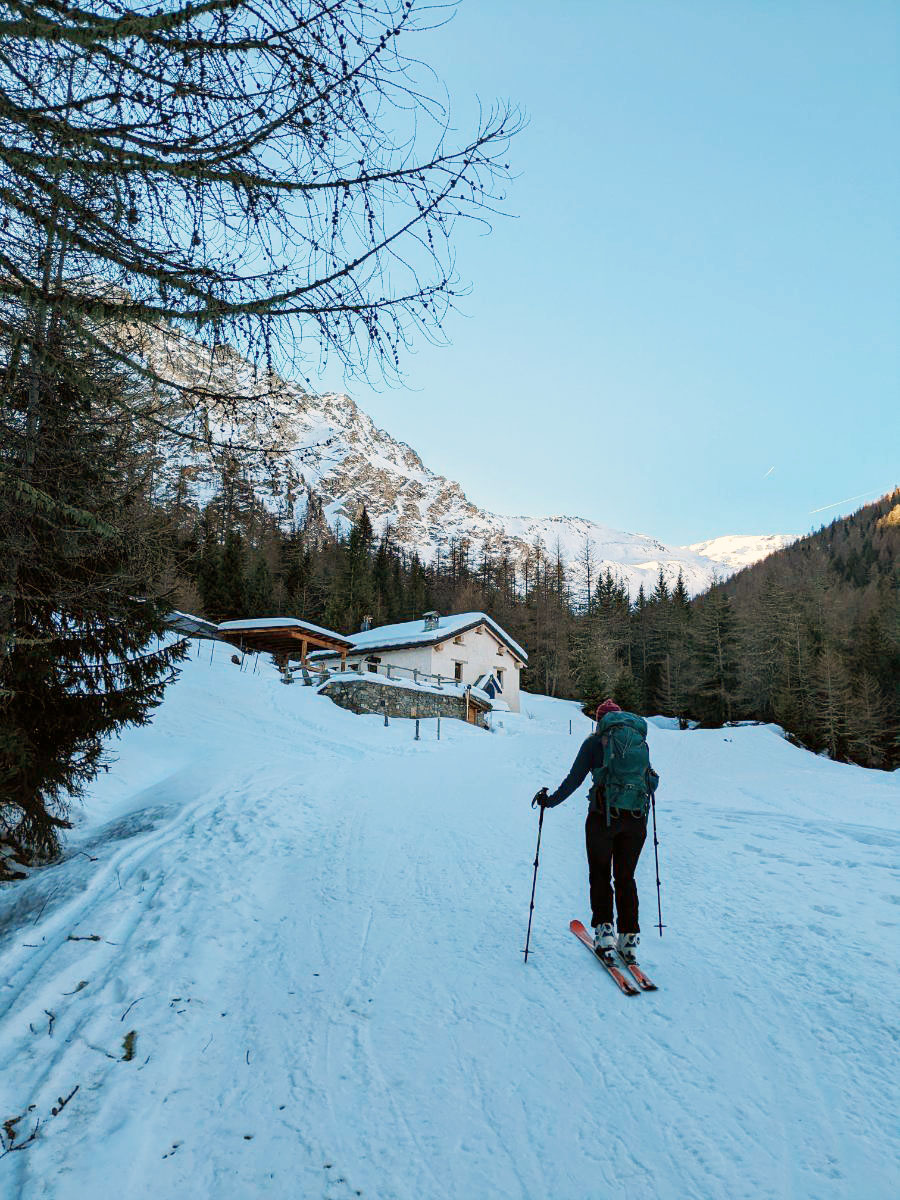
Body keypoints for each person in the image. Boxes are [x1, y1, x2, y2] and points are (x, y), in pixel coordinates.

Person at [536, 698, 658, 962]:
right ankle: (629, 940)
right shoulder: (638, 743)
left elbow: (574, 780)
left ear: (600, 721)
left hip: (603, 818)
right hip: (636, 819)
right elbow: (650, 782)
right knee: (626, 878)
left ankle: (604, 933)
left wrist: (549, 801)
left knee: (600, 874)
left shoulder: (594, 742)